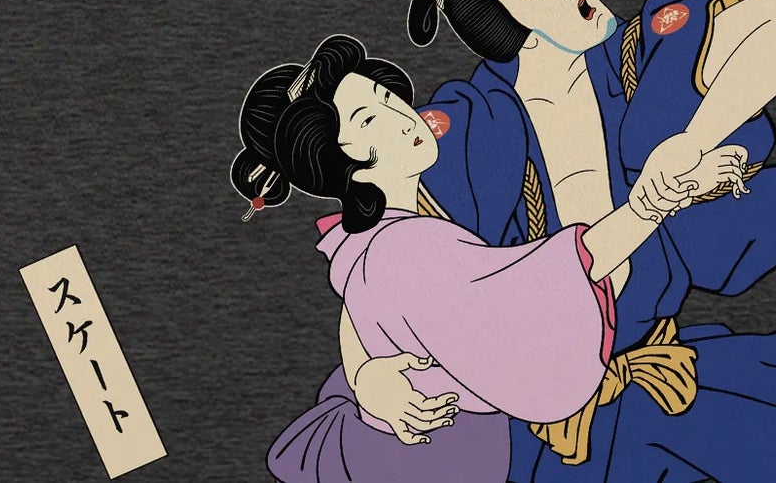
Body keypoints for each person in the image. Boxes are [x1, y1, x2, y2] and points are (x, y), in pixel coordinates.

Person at [403, 0, 776, 481]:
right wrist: (371, 378)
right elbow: (392, 249)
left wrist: (694, 141)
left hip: (669, 374)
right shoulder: (473, 124)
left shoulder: (633, 56)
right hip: (554, 423)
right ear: (507, 34)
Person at [231, 33, 745, 483]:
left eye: (386, 97)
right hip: (431, 459)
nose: (401, 117)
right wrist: (652, 203)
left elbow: (365, 305)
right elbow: (543, 282)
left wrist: (365, 376)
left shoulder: (369, 239)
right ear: (343, 164)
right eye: (368, 119)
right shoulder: (404, 249)